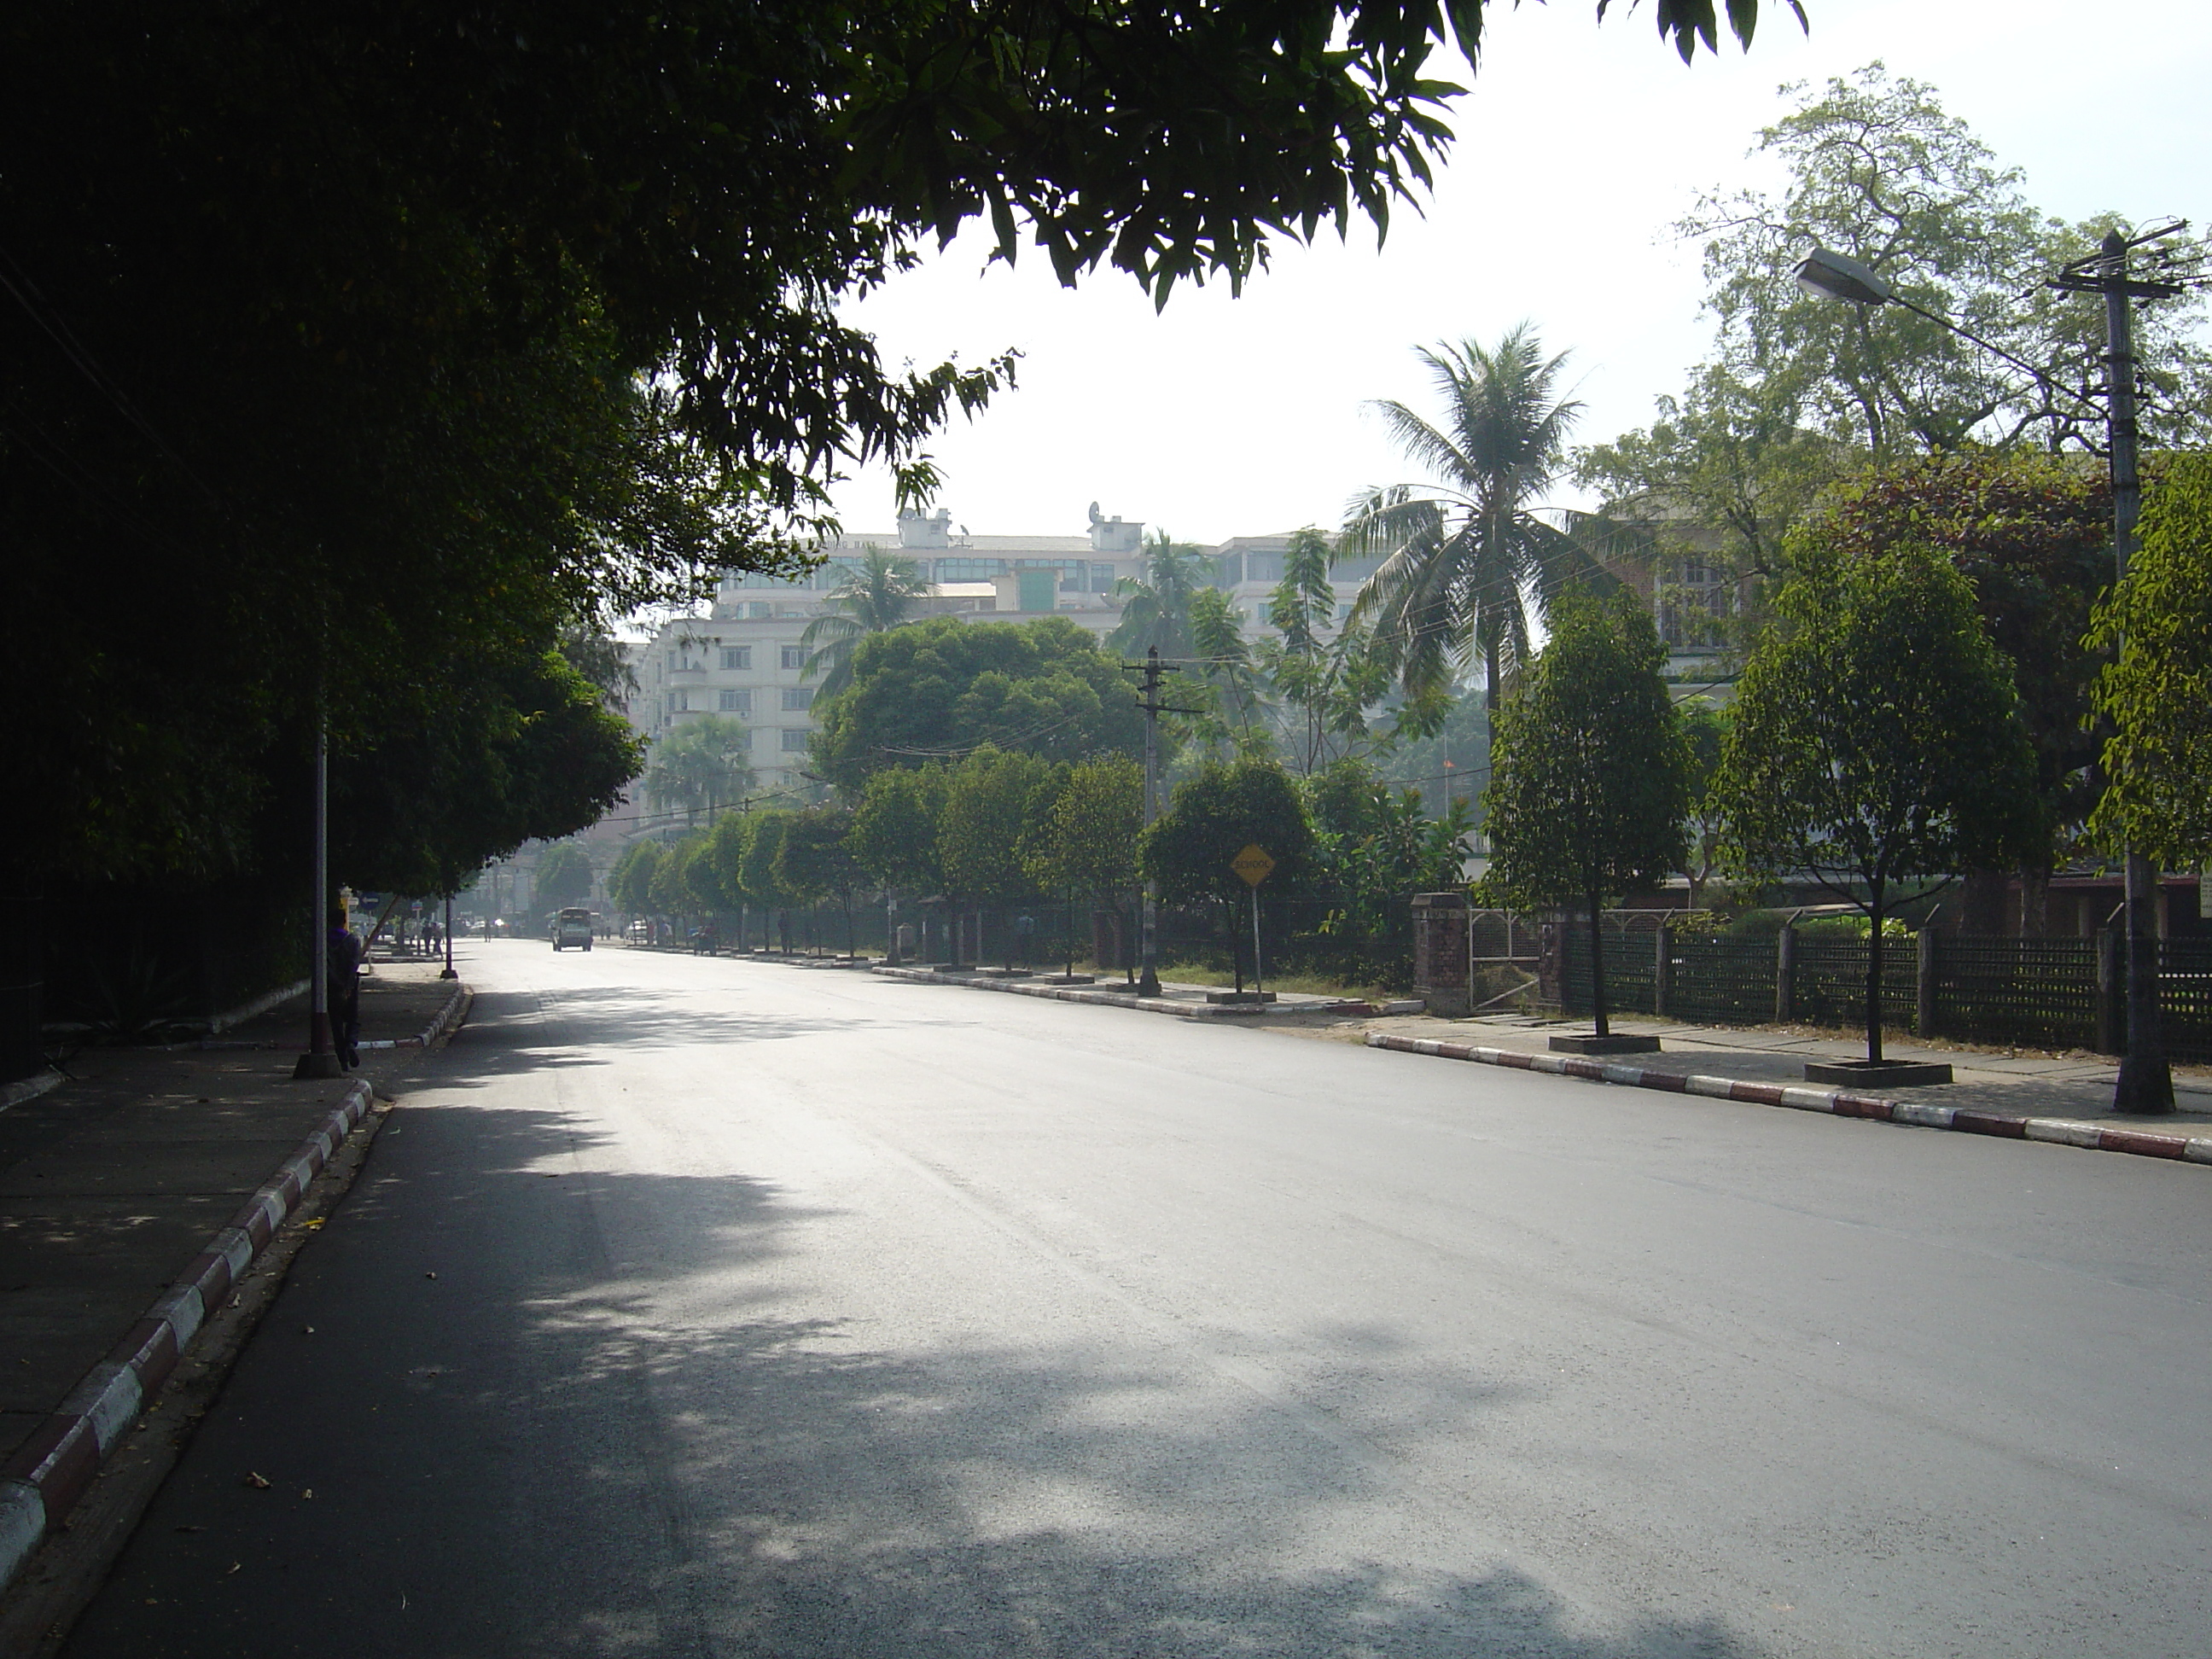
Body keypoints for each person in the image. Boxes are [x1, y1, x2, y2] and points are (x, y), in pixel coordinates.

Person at [326, 907, 364, 1068]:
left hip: (331, 986)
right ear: (344, 921)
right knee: (352, 1019)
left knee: (336, 1022)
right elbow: (354, 964)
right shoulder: (352, 940)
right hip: (350, 985)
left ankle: (342, 1058)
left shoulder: (324, 941)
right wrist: (348, 986)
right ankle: (350, 1045)